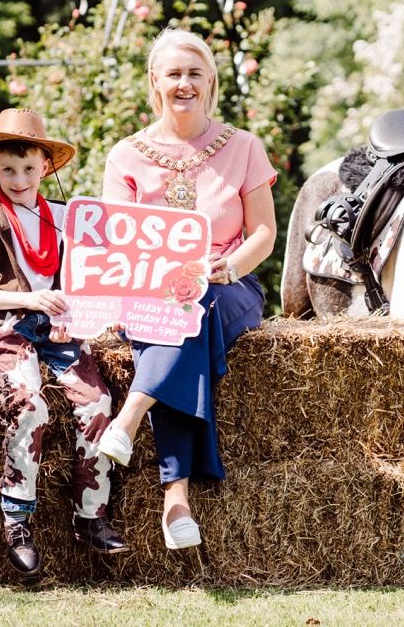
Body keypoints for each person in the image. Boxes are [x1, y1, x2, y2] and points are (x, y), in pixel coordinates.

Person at [96, 29, 277, 550]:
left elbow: (263, 234)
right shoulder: (125, 155)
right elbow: (115, 240)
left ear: (212, 81)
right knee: (181, 318)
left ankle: (130, 418)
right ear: (155, 82)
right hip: (153, 293)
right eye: (173, 74)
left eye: (195, 73)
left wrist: (226, 266)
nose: (184, 84)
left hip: (229, 286)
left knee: (195, 304)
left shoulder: (242, 146)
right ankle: (176, 502)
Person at [0, 108, 128, 577]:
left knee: (97, 401)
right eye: (8, 170)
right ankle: (17, 519)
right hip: (8, 324)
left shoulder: (66, 218)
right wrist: (32, 299)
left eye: (29, 169)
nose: (19, 179)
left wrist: (73, 315)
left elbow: (85, 279)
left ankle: (91, 515)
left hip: (58, 327)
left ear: (45, 168)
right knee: (31, 403)